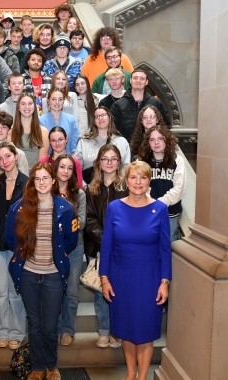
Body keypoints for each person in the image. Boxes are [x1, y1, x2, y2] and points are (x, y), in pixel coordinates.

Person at [5, 162, 79, 380]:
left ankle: (52, 365)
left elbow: (71, 241)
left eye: (46, 178)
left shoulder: (66, 209)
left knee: (49, 325)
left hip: (54, 275)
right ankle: (37, 367)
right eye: (37, 179)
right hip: (27, 273)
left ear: (54, 180)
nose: (42, 183)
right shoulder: (18, 208)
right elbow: (11, 240)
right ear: (32, 182)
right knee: (35, 324)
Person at [100, 161, 171, 380]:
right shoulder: (114, 207)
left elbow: (165, 249)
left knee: (145, 329)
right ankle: (131, 373)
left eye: (143, 178)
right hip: (120, 277)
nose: (138, 182)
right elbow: (107, 246)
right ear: (126, 180)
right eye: (133, 177)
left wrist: (164, 282)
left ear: (149, 181)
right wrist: (104, 279)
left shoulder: (160, 209)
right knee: (127, 327)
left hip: (149, 278)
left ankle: (142, 376)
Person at [84, 144, 128, 349]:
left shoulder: (127, 187)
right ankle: (103, 331)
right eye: (105, 159)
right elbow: (89, 219)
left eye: (113, 159)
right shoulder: (91, 189)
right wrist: (105, 243)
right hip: (98, 248)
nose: (109, 163)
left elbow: (130, 218)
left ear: (119, 163)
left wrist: (117, 243)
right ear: (99, 163)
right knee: (101, 291)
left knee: (119, 292)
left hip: (122, 249)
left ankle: (117, 332)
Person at [0, 142, 28, 350]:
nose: (5, 161)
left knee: (15, 291)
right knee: (0, 291)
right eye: (0, 158)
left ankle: (17, 332)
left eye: (8, 156)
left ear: (16, 156)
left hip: (19, 247)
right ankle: (1, 332)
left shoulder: (28, 184)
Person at [51, 154, 86, 346]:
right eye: (62, 167)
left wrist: (66, 218)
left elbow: (81, 222)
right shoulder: (48, 191)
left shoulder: (79, 193)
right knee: (54, 290)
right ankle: (54, 328)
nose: (65, 171)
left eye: (69, 168)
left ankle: (68, 329)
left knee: (71, 291)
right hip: (52, 248)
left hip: (74, 247)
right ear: (55, 169)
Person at [136, 126, 186, 242]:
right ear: (148, 142)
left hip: (170, 214)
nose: (156, 142)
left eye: (160, 138)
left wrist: (159, 203)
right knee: (147, 246)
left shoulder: (177, 160)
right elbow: (138, 185)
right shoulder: (141, 161)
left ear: (167, 140)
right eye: (152, 140)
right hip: (146, 211)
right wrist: (150, 203)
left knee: (168, 247)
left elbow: (179, 189)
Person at [111, 69, 172, 142]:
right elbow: (113, 130)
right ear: (130, 80)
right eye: (135, 78)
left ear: (146, 82)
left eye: (142, 78)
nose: (138, 80)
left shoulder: (156, 103)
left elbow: (166, 127)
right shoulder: (118, 105)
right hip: (127, 150)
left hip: (151, 149)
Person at [75, 106, 130, 184]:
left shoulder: (122, 141)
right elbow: (77, 168)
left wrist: (120, 185)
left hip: (117, 188)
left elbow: (126, 167)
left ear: (109, 117)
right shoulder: (83, 142)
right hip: (90, 188)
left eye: (103, 115)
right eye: (97, 116)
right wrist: (84, 187)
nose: (100, 118)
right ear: (94, 121)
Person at [11, 93, 50, 164]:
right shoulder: (11, 132)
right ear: (18, 107)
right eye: (23, 104)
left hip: (35, 173)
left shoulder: (43, 132)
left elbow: (42, 162)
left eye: (30, 103)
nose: (27, 107)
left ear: (34, 107)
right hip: (16, 173)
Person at [39, 89, 80, 155]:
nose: (57, 102)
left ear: (64, 101)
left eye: (60, 99)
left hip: (68, 161)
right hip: (47, 162)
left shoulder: (71, 120)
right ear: (48, 100)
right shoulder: (40, 121)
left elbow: (75, 146)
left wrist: (70, 162)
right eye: (53, 99)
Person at [21, 48, 52, 113]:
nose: (36, 62)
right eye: (33, 60)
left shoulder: (49, 80)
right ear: (28, 62)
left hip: (46, 116)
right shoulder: (21, 79)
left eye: (39, 61)